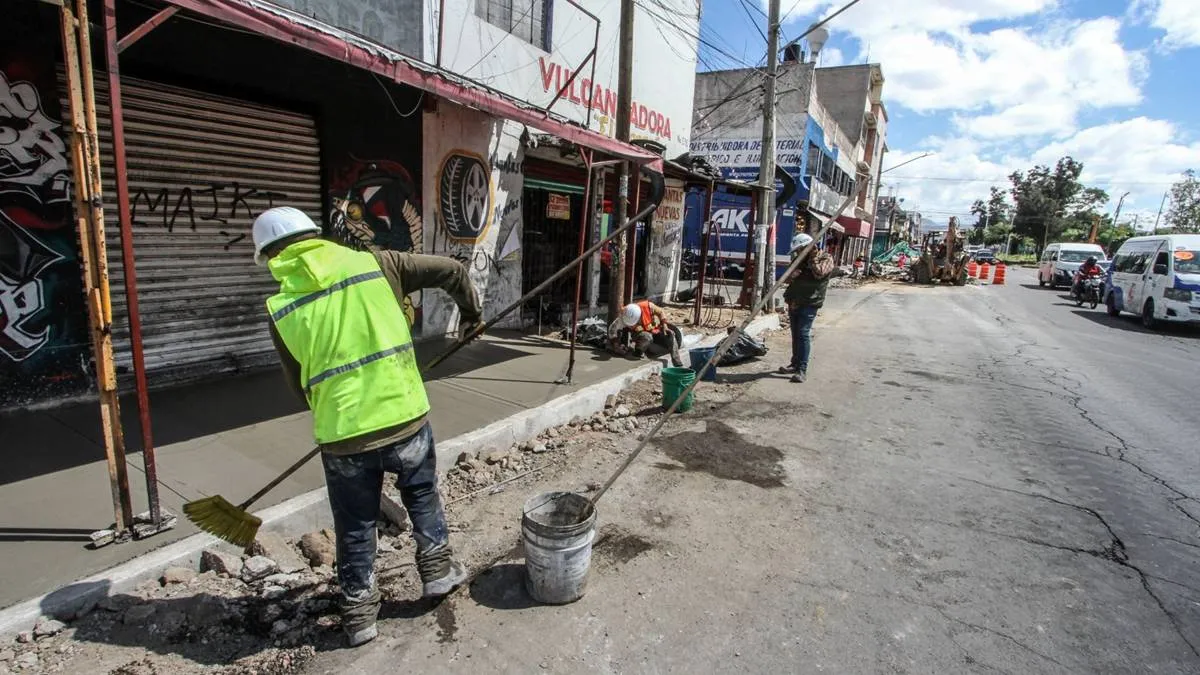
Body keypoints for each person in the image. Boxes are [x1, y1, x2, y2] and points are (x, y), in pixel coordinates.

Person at [252, 207, 483, 648]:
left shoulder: (281, 308)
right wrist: (471, 317)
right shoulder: (378, 264)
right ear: (317, 236)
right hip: (404, 415)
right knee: (421, 494)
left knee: (355, 524)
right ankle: (436, 573)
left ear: (272, 256)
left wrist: (334, 413)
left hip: (343, 436)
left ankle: (359, 617)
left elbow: (298, 386)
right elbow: (453, 271)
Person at [779, 233, 840, 383]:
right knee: (795, 334)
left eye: (801, 249)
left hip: (810, 303)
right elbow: (785, 277)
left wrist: (812, 256)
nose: (798, 253)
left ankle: (802, 370)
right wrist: (792, 275)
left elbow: (819, 273)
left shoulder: (825, 258)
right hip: (795, 301)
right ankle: (794, 364)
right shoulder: (799, 260)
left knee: (803, 334)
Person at [608, 300, 683, 367]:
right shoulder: (624, 316)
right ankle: (638, 353)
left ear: (639, 316)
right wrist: (616, 346)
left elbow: (661, 312)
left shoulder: (648, 306)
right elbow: (612, 330)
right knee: (647, 337)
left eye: (635, 322)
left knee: (671, 334)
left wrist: (665, 325)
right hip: (641, 336)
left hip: (654, 330)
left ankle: (677, 363)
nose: (633, 325)